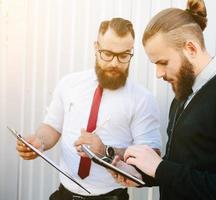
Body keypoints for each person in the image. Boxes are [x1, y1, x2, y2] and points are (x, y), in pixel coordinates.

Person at [111, 0, 216, 199]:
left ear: (191, 49)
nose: (158, 73)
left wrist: (160, 168)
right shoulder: (182, 95)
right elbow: (182, 166)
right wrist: (141, 174)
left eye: (163, 62)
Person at [16, 17, 161, 200]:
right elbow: (52, 126)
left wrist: (106, 151)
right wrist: (39, 141)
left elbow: (152, 156)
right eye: (107, 53)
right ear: (96, 47)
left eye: (124, 55)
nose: (115, 63)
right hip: (64, 195)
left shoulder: (143, 99)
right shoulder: (69, 84)